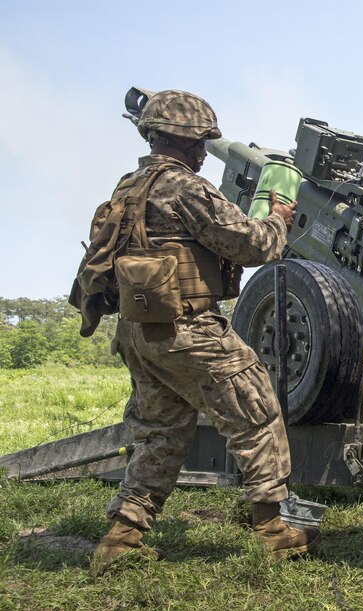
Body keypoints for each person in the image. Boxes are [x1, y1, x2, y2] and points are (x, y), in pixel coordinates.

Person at [73, 90, 316, 573]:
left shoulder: (128, 187)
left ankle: (123, 534)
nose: (205, 153)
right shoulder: (186, 188)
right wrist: (276, 219)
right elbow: (252, 245)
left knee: (161, 432)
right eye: (200, 142)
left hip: (139, 331)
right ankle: (272, 528)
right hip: (189, 327)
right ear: (184, 140)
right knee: (257, 408)